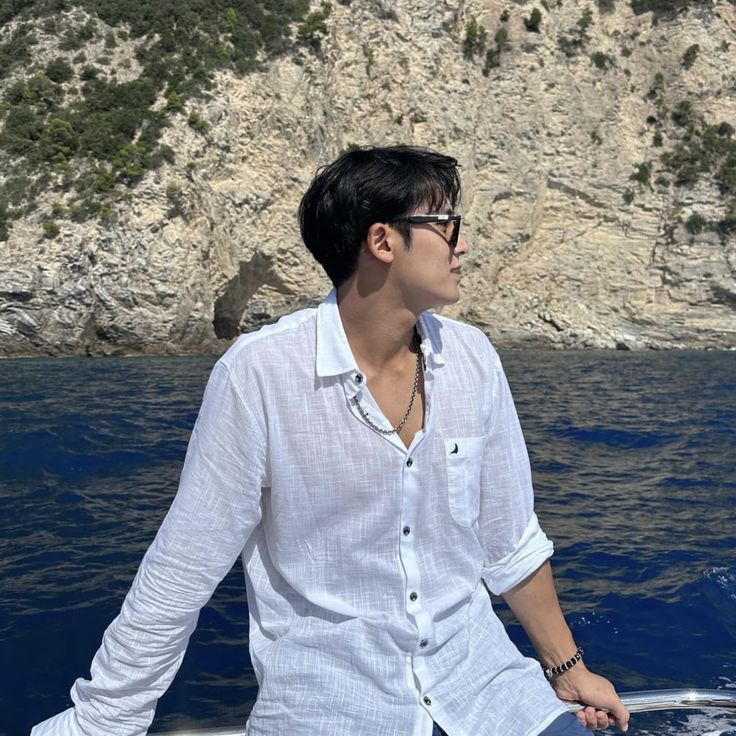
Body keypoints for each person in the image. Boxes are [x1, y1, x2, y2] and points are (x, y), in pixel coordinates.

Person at [32, 146, 630, 736]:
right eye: (447, 225)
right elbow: (184, 565)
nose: (462, 243)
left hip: (489, 692)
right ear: (382, 241)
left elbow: (510, 538)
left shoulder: (473, 358)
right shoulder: (261, 374)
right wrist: (106, 720)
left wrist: (568, 669)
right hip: (334, 708)